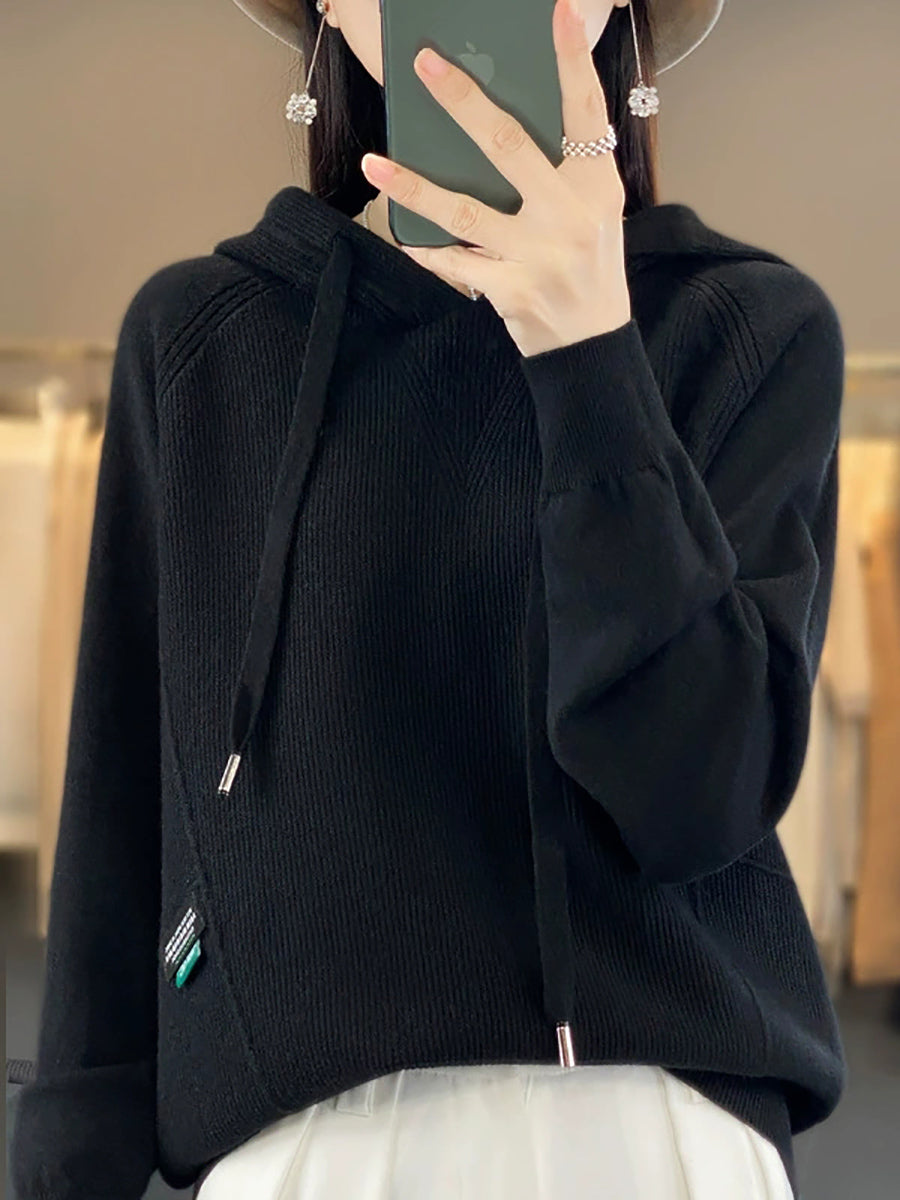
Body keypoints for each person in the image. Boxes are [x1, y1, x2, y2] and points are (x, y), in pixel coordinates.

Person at [9, 2, 848, 1198]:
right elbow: (121, 810)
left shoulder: (748, 329)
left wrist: (589, 357)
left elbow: (695, 802)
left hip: (651, 1136)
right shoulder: (201, 342)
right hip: (308, 1151)